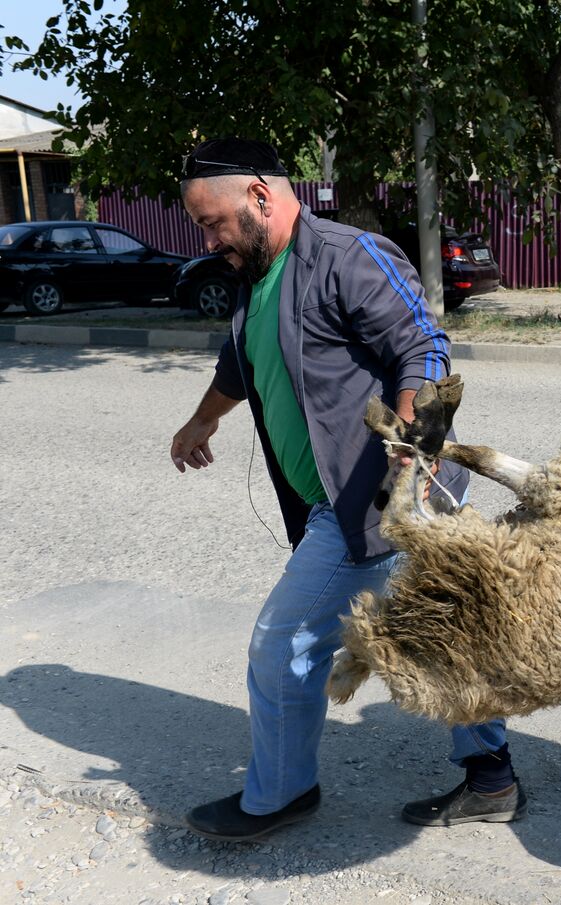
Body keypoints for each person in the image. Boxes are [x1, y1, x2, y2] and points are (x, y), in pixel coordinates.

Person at [170, 138, 523, 841]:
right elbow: (241, 365)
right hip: (364, 501)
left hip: (375, 499)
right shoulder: (256, 274)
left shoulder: (348, 254)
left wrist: (408, 448)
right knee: (442, 632)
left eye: (213, 223)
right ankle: (493, 779)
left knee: (284, 640)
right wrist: (198, 421)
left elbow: (421, 344)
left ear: (261, 198)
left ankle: (279, 794)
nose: (207, 240)